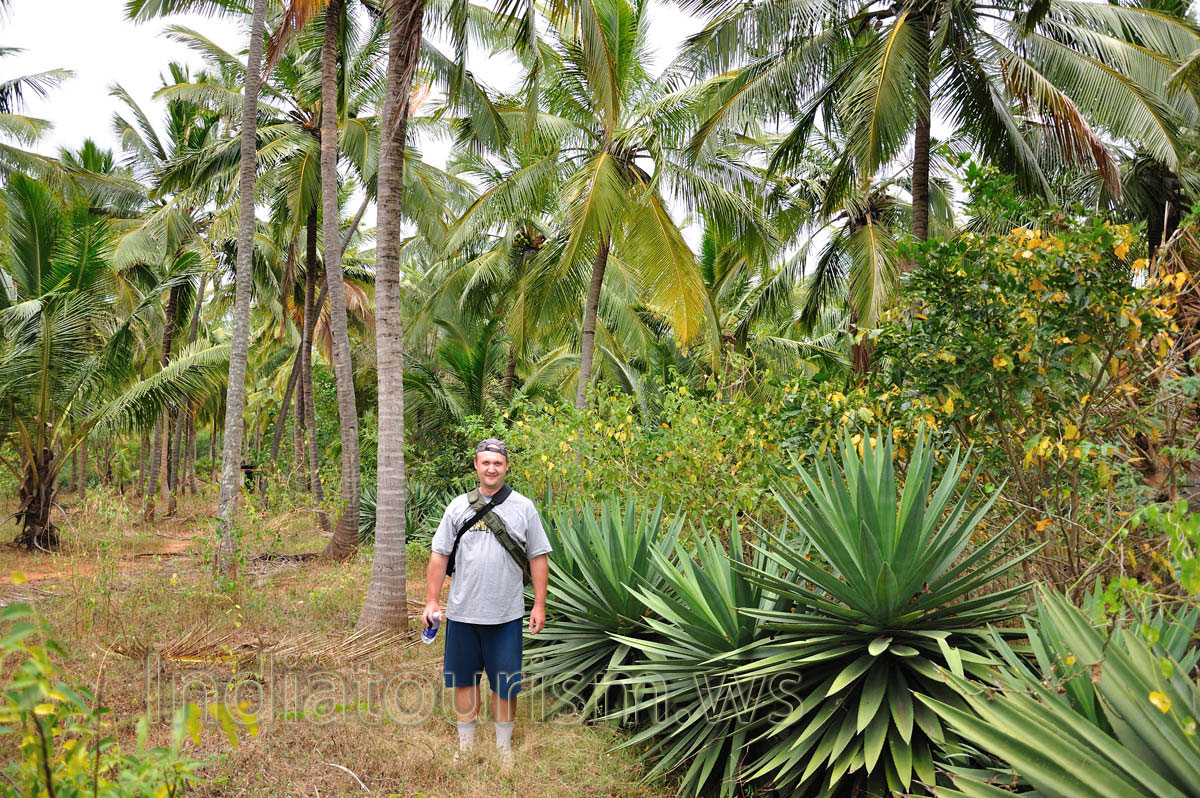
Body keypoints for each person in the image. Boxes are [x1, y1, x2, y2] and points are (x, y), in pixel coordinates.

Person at [422, 438, 551, 766]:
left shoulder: (523, 508)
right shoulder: (457, 507)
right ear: (476, 466)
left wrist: (539, 604)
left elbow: (538, 558)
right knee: (464, 680)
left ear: (506, 467)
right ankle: (465, 748)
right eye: (485, 463)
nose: (491, 468)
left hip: (506, 614)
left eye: (498, 463)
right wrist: (432, 601)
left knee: (505, 683)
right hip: (463, 612)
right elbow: (439, 556)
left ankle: (502, 749)